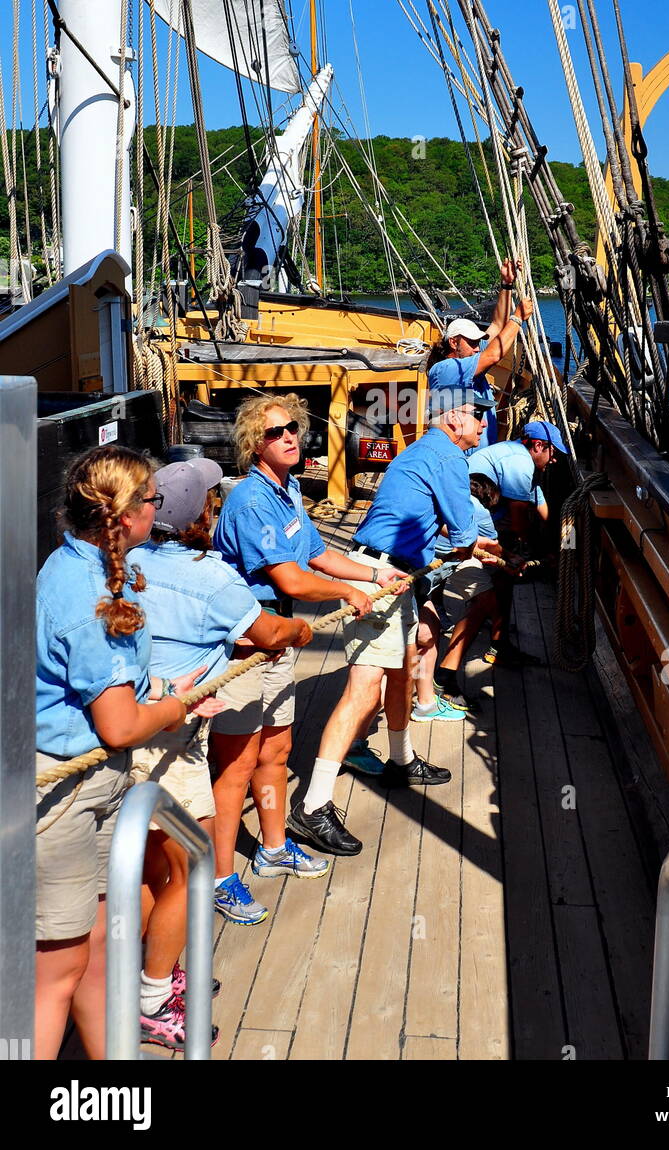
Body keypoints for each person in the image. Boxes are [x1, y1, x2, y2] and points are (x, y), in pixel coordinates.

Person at [129, 456, 313, 1043]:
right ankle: (153, 997)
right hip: (170, 738)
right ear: (196, 514)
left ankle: (144, 967)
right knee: (197, 860)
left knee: (148, 859)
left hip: (128, 723)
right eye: (210, 501)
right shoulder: (213, 578)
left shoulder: (127, 561)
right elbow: (270, 632)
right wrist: (300, 631)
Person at [34, 447, 207, 1061]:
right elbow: (120, 726)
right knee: (55, 971)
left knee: (101, 946)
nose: (158, 509)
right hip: (62, 798)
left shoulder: (85, 566)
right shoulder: (85, 593)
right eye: (151, 500)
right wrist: (176, 709)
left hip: (96, 789)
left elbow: (118, 693)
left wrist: (160, 692)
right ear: (126, 515)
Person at [212, 394, 405, 912]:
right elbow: (289, 576)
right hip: (245, 646)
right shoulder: (251, 501)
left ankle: (273, 847)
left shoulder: (289, 489)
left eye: (293, 427)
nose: (291, 437)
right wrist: (347, 593)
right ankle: (220, 875)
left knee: (275, 750)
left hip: (279, 638)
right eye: (276, 432)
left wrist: (373, 574)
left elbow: (316, 553)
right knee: (236, 766)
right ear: (256, 444)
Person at [288, 387, 493, 857]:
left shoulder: (423, 451)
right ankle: (313, 803)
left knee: (402, 671)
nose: (484, 425)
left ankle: (401, 760)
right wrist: (468, 542)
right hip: (380, 577)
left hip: (394, 573)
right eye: (478, 415)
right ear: (454, 418)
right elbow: (462, 535)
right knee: (362, 693)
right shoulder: (449, 460)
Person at [413, 473, 505, 718]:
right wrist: (511, 560)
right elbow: (493, 552)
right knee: (424, 637)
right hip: (417, 576)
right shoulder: (480, 512)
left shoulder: (443, 503)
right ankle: (432, 691)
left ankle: (435, 689)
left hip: (426, 568)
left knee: (427, 632)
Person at [426, 258, 534, 446]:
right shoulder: (445, 369)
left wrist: (507, 284)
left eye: (478, 342)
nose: (477, 348)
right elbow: (493, 355)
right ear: (453, 342)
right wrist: (517, 318)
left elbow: (498, 324)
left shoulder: (471, 356)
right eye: (471, 342)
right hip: (463, 460)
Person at [467, 418, 568, 533]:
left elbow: (538, 499)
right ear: (538, 445)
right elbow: (518, 524)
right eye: (553, 452)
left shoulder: (518, 449)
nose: (553, 460)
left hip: (470, 506)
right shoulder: (521, 462)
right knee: (511, 524)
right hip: (469, 515)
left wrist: (553, 532)